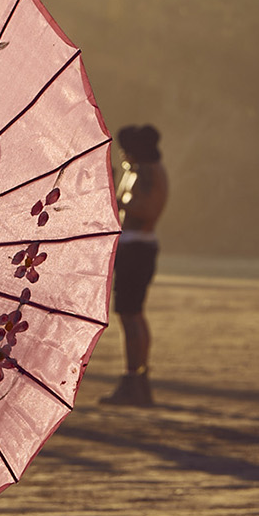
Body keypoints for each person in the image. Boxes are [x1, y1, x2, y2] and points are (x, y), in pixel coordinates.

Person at [101, 124, 168, 407]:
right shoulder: (142, 170)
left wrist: (121, 201)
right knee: (131, 314)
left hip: (138, 248)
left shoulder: (148, 171)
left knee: (131, 314)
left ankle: (134, 379)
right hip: (135, 246)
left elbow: (146, 209)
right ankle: (136, 378)